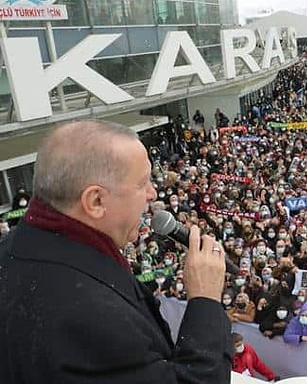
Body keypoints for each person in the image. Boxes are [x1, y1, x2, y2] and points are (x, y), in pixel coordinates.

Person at [0, 120, 232, 383]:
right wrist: (205, 301)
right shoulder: (95, 320)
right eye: (142, 183)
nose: (152, 193)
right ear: (96, 201)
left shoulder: (14, 247)